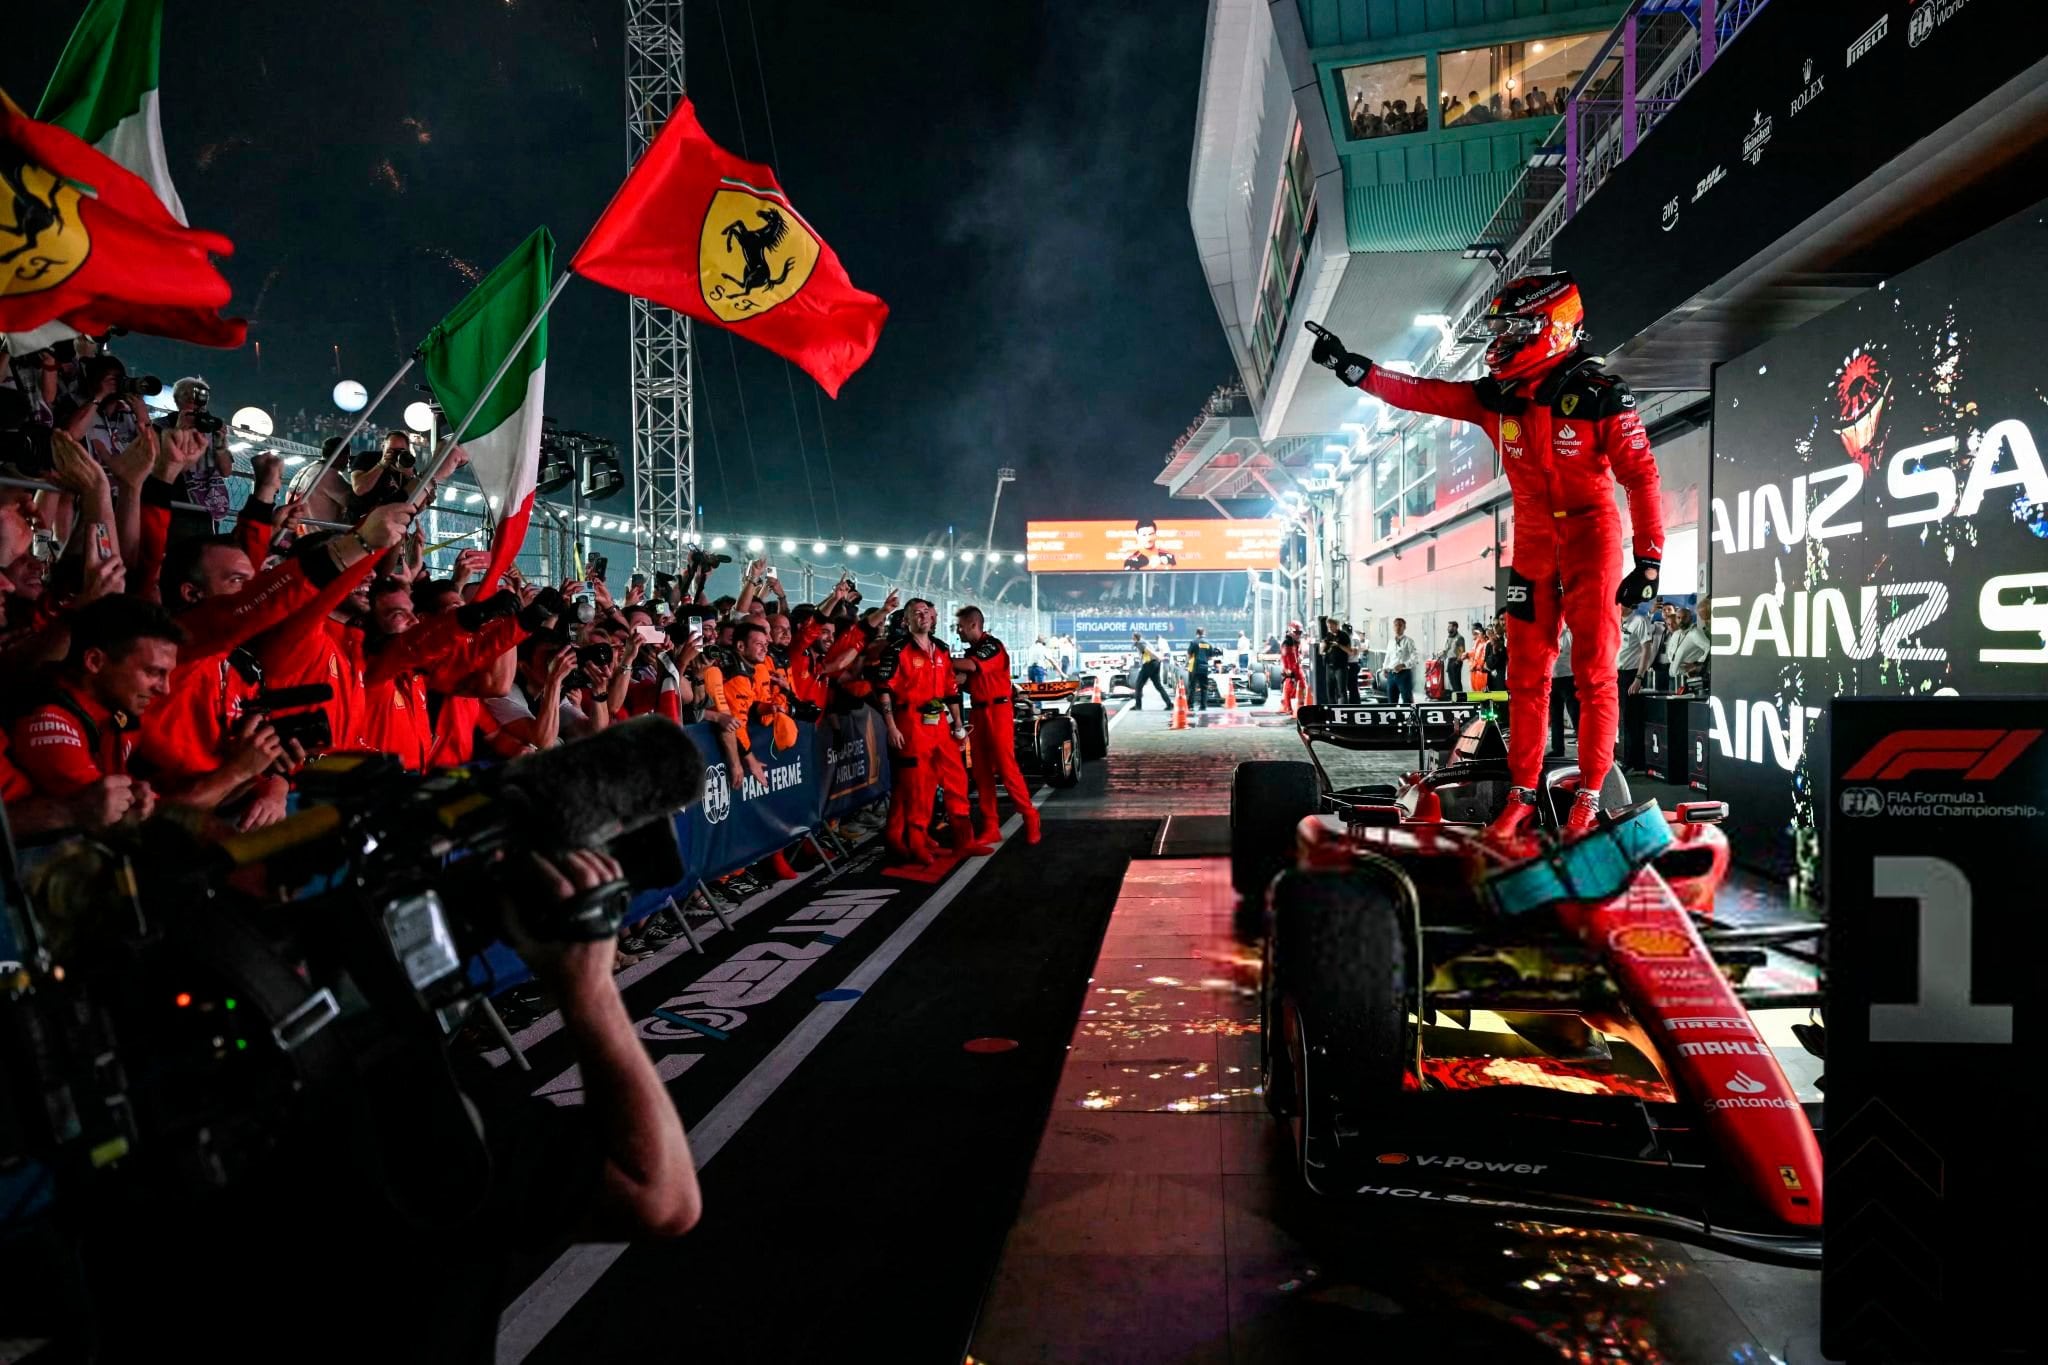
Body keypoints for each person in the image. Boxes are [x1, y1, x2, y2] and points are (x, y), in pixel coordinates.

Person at [1309, 268, 1663, 839]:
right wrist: (1357, 370)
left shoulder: (1601, 395)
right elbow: (1422, 394)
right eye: (1501, 328)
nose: (1503, 340)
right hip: (1531, 540)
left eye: (1515, 328)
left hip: (1591, 536)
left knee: (1594, 672)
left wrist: (1648, 559)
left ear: (1553, 326)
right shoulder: (1494, 396)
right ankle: (1522, 794)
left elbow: (1641, 479)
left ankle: (1589, 797)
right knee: (1526, 673)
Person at [952, 606, 1041, 845]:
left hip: (998, 711)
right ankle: (991, 825)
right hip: (979, 712)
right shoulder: (974, 650)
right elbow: (966, 679)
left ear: (973, 625)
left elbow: (970, 668)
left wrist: (941, 660)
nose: (958, 631)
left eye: (960, 626)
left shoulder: (992, 646)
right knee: (980, 772)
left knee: (1006, 767)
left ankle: (1030, 817)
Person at [1548, 624, 1580, 757]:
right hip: (1551, 679)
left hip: (1568, 679)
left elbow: (1578, 656)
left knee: (1575, 714)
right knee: (1555, 716)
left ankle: (1584, 747)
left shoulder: (1569, 635)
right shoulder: (1548, 637)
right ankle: (1557, 749)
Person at [1128, 630, 1171, 708]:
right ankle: (1169, 704)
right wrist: (1158, 658)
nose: (1132, 639)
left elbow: (1149, 651)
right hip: (1155, 664)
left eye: (1132, 637)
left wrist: (1158, 657)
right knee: (1158, 686)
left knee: (1138, 685)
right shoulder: (1145, 641)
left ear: (1135, 637)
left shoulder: (1140, 643)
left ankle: (1138, 706)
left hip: (1149, 664)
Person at [1382, 617, 1418, 704]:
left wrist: (1403, 665)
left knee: (1407, 700)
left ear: (1404, 627)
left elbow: (1415, 658)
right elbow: (1388, 656)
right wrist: (1384, 668)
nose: (1398, 627)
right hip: (1391, 675)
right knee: (1391, 700)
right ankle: (1395, 717)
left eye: (1400, 625)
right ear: (1393, 627)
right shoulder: (1391, 642)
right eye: (1396, 625)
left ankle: (1410, 717)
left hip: (1404, 675)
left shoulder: (1409, 641)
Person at [1186, 627, 1218, 711]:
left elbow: (1189, 655)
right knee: (1204, 687)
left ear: (1196, 633)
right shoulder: (1209, 643)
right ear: (1204, 633)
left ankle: (1190, 706)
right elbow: (1210, 657)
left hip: (1194, 667)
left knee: (1192, 687)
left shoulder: (1194, 642)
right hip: (1204, 667)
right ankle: (1203, 706)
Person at [1440, 620, 1467, 698]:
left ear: (1455, 627)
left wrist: (1457, 662)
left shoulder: (1459, 638)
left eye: (1450, 626)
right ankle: (1455, 697)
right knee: (1452, 682)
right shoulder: (1449, 638)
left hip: (1456, 661)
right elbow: (1446, 649)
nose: (1448, 628)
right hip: (1450, 660)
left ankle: (1460, 698)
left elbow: (1462, 652)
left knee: (1456, 682)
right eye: (1448, 627)